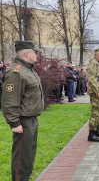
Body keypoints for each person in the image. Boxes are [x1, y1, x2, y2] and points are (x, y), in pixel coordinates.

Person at [1, 40, 44, 181]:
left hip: (31, 120)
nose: (37, 54)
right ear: (27, 53)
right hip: (23, 122)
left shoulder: (27, 70)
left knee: (29, 157)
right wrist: (14, 123)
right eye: (35, 52)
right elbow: (9, 101)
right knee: (21, 160)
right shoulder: (16, 72)